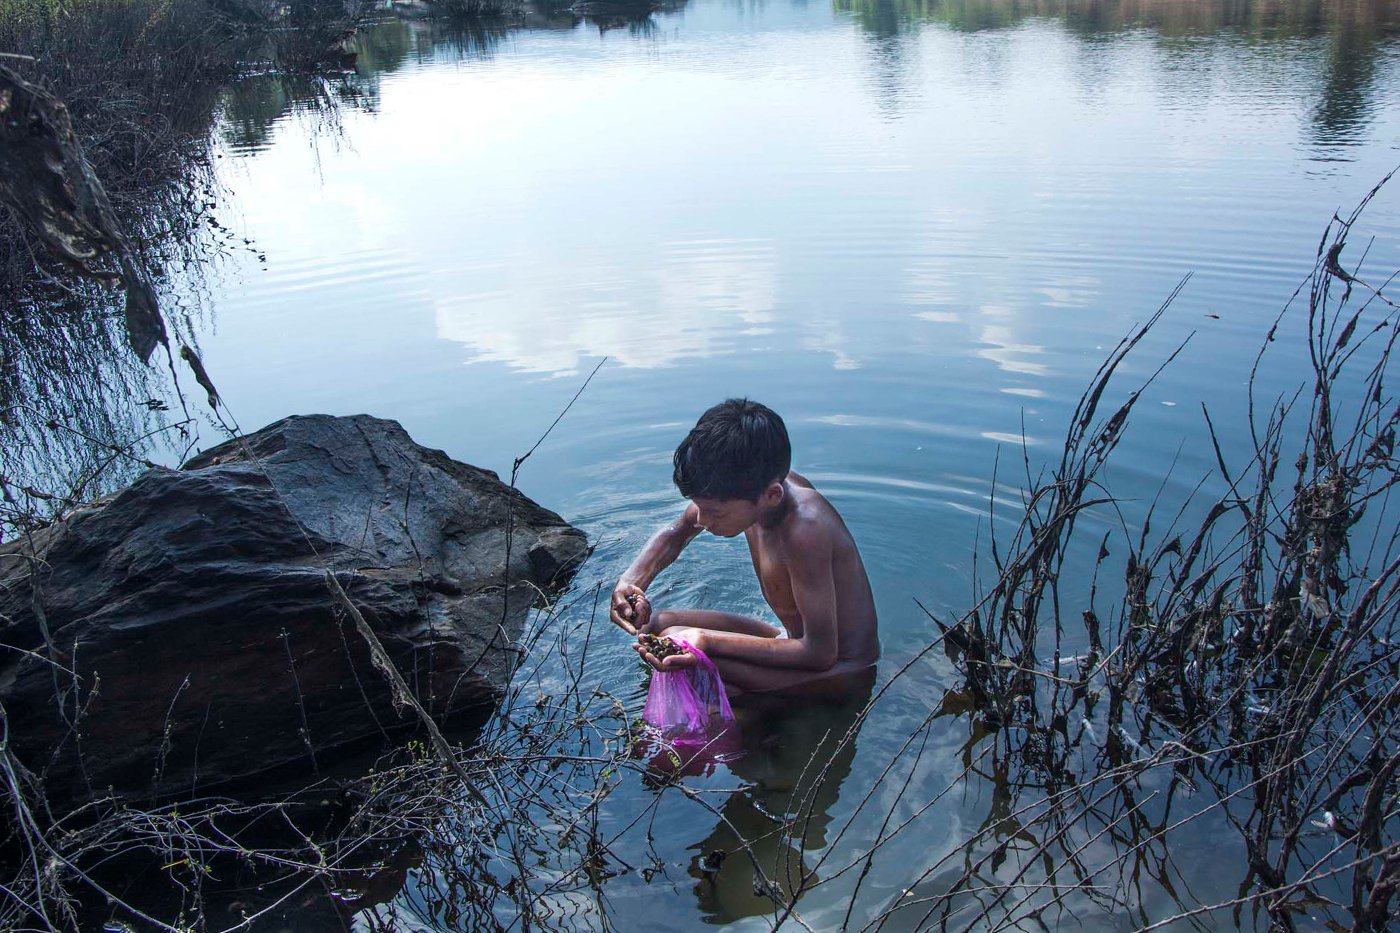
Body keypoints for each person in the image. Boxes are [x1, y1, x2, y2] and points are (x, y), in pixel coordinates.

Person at [610, 398, 879, 694]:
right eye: (698, 506)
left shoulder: (805, 528)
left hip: (840, 671)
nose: (702, 519)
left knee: (684, 648)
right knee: (658, 625)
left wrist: (707, 640)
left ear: (772, 495)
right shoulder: (751, 488)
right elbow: (678, 532)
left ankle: (757, 729)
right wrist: (632, 582)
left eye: (714, 512)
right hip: (792, 643)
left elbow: (820, 653)